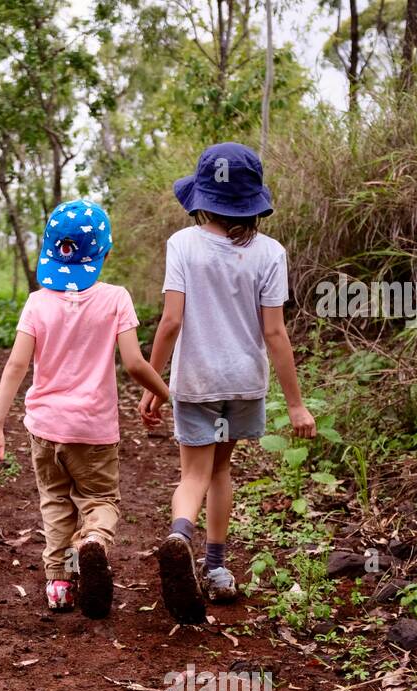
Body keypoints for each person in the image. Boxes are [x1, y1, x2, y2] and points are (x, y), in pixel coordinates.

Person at [140, 143, 316, 625]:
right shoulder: (270, 253)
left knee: (192, 474)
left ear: (201, 198)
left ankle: (179, 535)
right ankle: (215, 569)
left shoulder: (183, 244)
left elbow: (171, 322)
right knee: (221, 472)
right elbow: (275, 333)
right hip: (243, 383)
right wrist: (297, 405)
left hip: (195, 381)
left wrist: (153, 383)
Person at [0, 200, 170, 619]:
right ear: (104, 252)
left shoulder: (36, 303)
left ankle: (60, 585)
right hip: (94, 429)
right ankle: (94, 544)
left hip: (45, 428)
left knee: (55, 501)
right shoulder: (116, 299)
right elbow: (135, 364)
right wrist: (164, 392)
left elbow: (16, 365)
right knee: (99, 497)